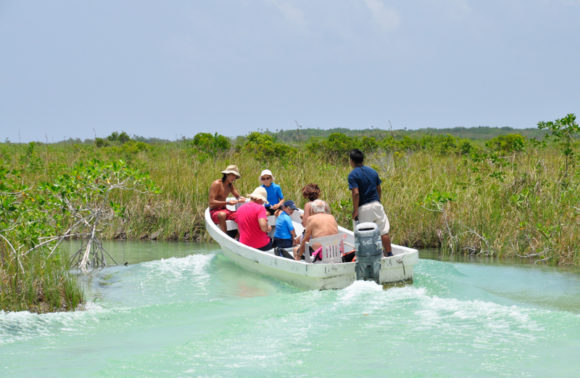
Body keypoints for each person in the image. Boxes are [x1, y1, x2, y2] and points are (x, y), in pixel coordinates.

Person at [348, 149, 393, 257]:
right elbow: (379, 189)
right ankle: (389, 254)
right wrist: (378, 201)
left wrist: (355, 210)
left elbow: (356, 193)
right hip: (377, 205)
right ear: (362, 160)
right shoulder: (373, 171)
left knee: (363, 234)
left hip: (363, 208)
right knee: (384, 231)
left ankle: (366, 257)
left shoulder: (352, 175)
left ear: (351, 161)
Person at [209, 165, 246, 233]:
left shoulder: (230, 185)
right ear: (227, 174)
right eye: (233, 175)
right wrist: (228, 203)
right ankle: (225, 236)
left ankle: (238, 237)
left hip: (225, 210)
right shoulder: (216, 184)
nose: (234, 178)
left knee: (242, 215)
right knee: (222, 215)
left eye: (235, 176)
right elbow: (211, 202)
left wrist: (241, 199)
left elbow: (237, 196)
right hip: (214, 212)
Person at [236, 187, 273, 251]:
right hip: (261, 246)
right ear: (259, 199)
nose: (263, 203)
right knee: (271, 240)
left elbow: (239, 230)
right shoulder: (260, 208)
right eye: (263, 201)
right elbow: (263, 227)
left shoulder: (239, 209)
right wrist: (268, 228)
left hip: (244, 245)